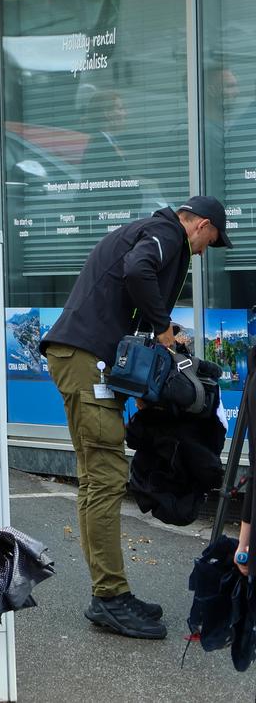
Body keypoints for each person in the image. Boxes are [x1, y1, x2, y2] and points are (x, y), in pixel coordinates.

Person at [40, 196, 231, 638]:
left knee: (94, 479)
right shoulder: (166, 234)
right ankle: (109, 597)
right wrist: (164, 333)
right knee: (105, 475)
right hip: (86, 360)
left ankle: (109, 593)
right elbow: (137, 271)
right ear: (200, 226)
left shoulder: (151, 230)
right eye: (210, 242)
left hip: (84, 358)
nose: (203, 253)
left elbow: (127, 291)